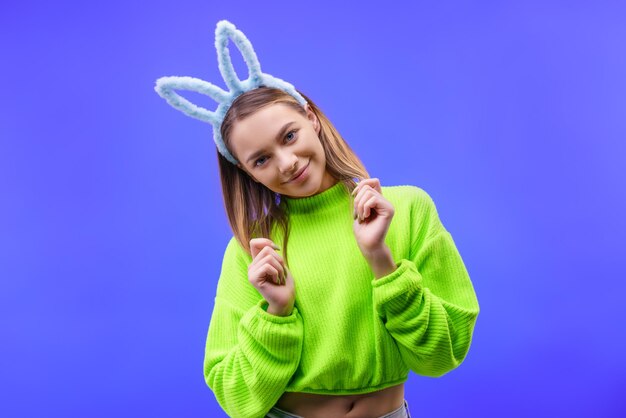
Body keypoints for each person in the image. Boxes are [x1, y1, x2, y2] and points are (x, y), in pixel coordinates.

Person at [155, 20, 480, 418]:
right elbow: (236, 398)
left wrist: (381, 258)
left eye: (288, 136)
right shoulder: (252, 252)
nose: (287, 163)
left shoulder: (406, 209)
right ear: (247, 172)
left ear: (310, 117)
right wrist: (278, 311)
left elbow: (442, 356)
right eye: (261, 159)